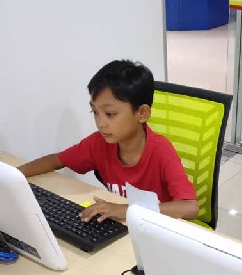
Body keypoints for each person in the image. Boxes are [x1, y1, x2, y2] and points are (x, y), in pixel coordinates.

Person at [18, 59, 199, 222]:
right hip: (124, 226)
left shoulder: (161, 150)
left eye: (110, 114)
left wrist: (126, 210)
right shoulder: (99, 143)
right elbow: (56, 160)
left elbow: (190, 208)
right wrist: (13, 175)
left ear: (142, 113)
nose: (100, 123)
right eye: (95, 112)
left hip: (160, 229)